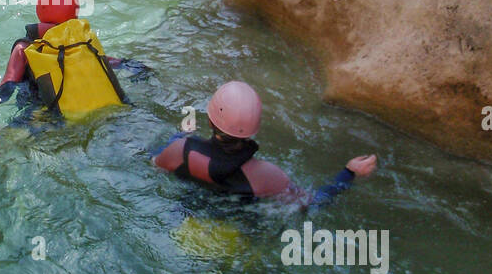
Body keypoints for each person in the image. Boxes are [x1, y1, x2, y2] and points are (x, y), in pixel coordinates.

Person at [153, 80, 377, 207]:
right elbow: (314, 204)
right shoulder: (267, 176)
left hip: (186, 223)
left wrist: (177, 139)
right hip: (234, 239)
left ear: (210, 119)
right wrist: (349, 173)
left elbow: (153, 164)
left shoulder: (180, 151)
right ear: (255, 129)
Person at [0, 0, 148, 117]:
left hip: (44, 112)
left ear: (41, 9)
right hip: (96, 105)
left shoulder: (25, 47)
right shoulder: (83, 41)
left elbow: (6, 89)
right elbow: (113, 63)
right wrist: (137, 67)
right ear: (75, 12)